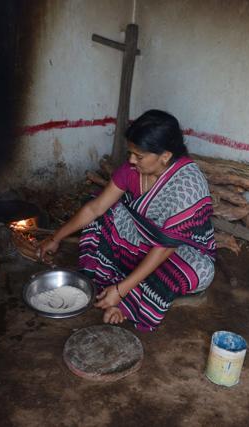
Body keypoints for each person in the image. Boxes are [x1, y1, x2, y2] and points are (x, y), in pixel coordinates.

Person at [38, 110, 216, 332]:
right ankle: (119, 284)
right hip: (145, 239)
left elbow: (164, 248)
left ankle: (124, 302)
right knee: (103, 212)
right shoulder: (132, 170)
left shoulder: (187, 185)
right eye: (131, 153)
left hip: (183, 251)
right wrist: (56, 238)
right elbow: (96, 208)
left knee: (180, 272)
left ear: (165, 155)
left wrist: (121, 291)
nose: (131, 160)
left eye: (139, 156)